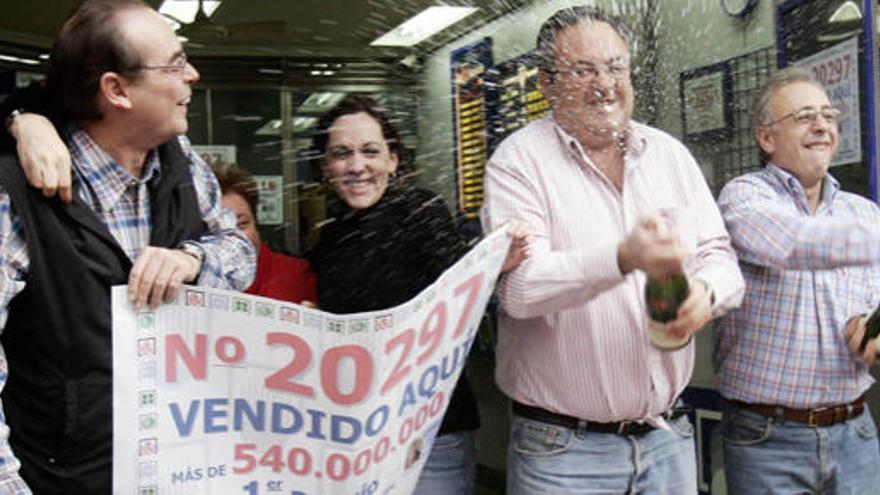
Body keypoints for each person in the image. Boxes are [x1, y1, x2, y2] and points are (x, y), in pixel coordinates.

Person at [480, 7, 744, 494]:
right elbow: (520, 291)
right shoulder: (517, 163)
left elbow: (719, 255)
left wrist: (705, 294)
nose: (604, 83)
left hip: (667, 441)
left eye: (616, 67)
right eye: (584, 70)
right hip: (563, 453)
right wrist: (622, 258)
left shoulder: (670, 155)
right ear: (546, 83)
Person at [0, 0, 255, 491]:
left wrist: (192, 260)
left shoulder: (184, 167)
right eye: (176, 64)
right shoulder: (18, 192)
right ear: (116, 90)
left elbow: (241, 254)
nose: (193, 76)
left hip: (180, 466)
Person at [307, 95, 528, 495]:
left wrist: (495, 264)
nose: (357, 166)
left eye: (370, 151)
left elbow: (462, 289)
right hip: (357, 438)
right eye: (341, 154)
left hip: (430, 434)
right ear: (325, 167)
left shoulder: (420, 210)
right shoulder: (327, 241)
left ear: (393, 160)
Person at [716, 66, 880, 494]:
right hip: (767, 439)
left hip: (855, 432)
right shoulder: (744, 196)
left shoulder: (863, 213)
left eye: (828, 115)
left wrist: (871, 329)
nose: (822, 126)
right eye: (805, 116)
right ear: (766, 138)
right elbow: (793, 244)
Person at [213, 163, 317, 304]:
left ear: (256, 222)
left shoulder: (295, 274)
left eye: (242, 224)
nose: (235, 238)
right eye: (219, 229)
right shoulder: (188, 278)